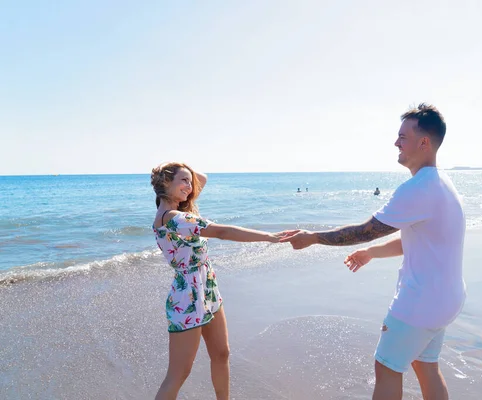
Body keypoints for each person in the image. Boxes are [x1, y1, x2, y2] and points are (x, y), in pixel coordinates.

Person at [281, 104, 465, 400]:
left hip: (420, 302)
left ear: (424, 142)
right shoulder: (442, 184)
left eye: (402, 136)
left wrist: (313, 237)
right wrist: (372, 253)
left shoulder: (418, 188)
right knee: (426, 365)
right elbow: (418, 241)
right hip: (446, 299)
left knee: (387, 367)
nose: (396, 143)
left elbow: (364, 229)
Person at [151, 162, 286, 400]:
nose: (190, 186)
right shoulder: (170, 218)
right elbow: (223, 232)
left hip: (207, 288)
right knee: (179, 373)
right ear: (165, 183)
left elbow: (202, 177)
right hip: (188, 297)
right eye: (183, 180)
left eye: (189, 182)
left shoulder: (181, 211)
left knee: (222, 353)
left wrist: (183, 173)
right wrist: (269, 237)